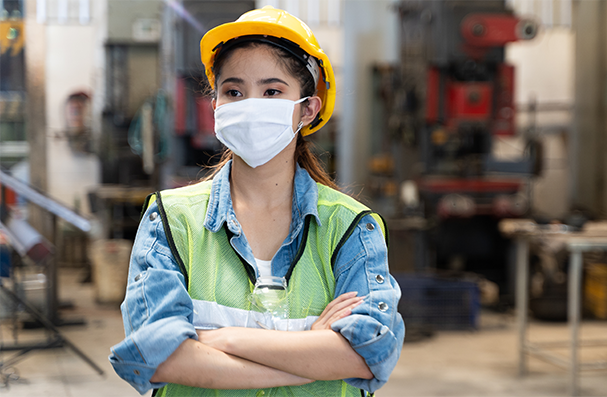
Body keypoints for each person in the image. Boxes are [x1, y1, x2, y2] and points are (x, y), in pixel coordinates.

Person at [109, 5, 405, 397]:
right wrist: (310, 359)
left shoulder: (350, 227)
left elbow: (369, 353)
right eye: (233, 91)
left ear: (307, 109)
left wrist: (223, 340)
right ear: (214, 105)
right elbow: (158, 357)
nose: (250, 104)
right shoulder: (171, 219)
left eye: (271, 91)